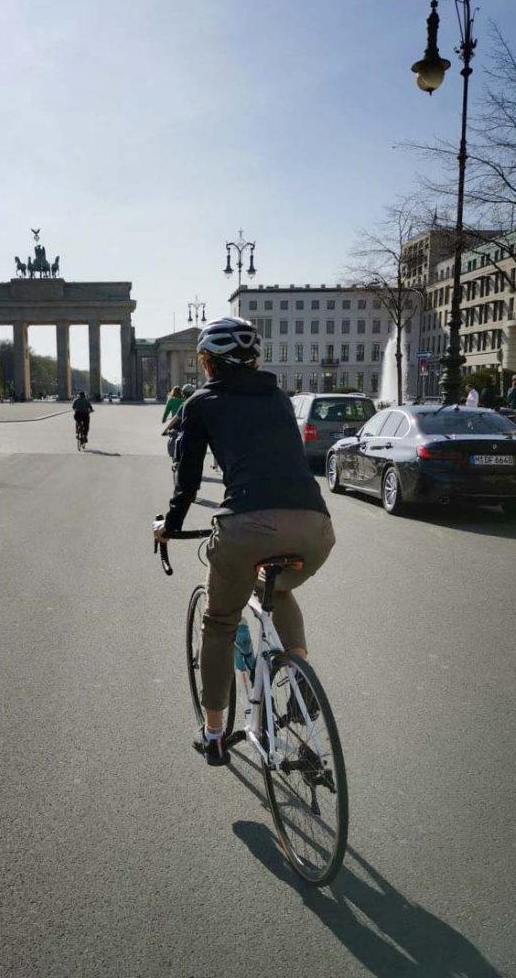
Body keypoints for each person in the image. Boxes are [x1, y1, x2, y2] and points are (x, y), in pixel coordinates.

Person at [153, 317, 335, 766]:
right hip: (315, 527)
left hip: (247, 527)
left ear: (206, 363)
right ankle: (299, 681)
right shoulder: (280, 399)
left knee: (218, 624)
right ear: (255, 360)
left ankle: (215, 735)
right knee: (280, 587)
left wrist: (169, 525)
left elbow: (189, 481)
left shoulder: (200, 403)